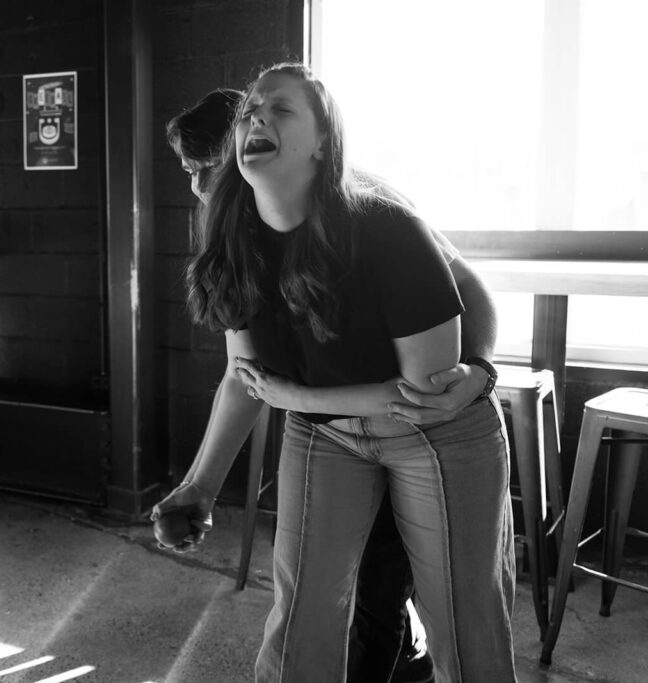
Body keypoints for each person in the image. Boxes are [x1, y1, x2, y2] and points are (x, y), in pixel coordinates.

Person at [156, 65, 515, 682]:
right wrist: (200, 485)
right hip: (328, 430)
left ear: (319, 145)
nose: (194, 185)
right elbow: (244, 377)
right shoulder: (233, 238)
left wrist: (480, 367)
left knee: (431, 605)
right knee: (307, 606)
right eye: (249, 114)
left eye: (198, 168)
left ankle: (404, 661)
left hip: (423, 421)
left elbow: (464, 291)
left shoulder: (370, 210)